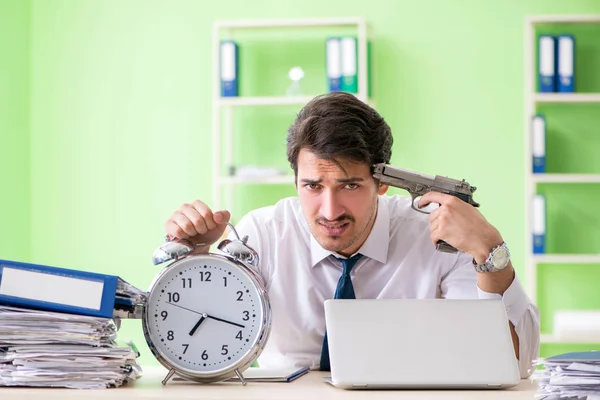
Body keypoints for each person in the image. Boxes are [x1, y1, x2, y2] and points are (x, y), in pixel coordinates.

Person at [164, 92, 540, 378]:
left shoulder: (437, 234)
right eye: (312, 186)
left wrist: (489, 251)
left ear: (382, 183)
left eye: (349, 185)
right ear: (294, 181)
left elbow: (512, 366)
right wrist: (196, 257)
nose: (329, 211)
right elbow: (198, 350)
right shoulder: (261, 235)